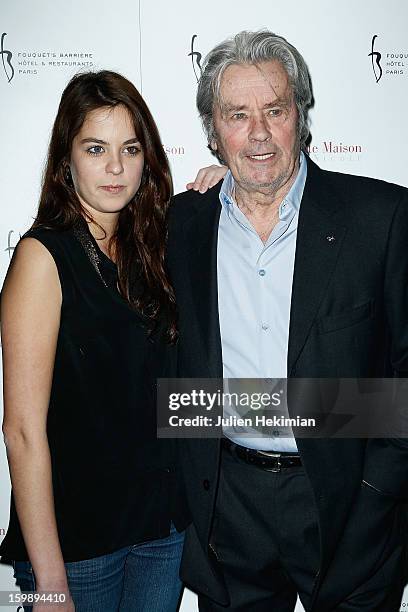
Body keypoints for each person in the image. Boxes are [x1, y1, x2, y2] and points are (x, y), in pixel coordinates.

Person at [167, 30, 408, 611]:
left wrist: (378, 489)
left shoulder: (381, 217)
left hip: (350, 503)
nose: (257, 134)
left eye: (274, 110)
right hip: (229, 507)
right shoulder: (183, 224)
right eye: (237, 115)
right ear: (212, 130)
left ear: (300, 115)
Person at [0, 70, 224, 612]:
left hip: (162, 533)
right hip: (78, 547)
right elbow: (23, 431)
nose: (116, 167)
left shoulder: (152, 246)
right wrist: (51, 582)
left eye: (130, 148)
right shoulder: (43, 258)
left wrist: (228, 181)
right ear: (66, 157)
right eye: (96, 148)